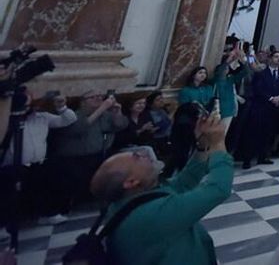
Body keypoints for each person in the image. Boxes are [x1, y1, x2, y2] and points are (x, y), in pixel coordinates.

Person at [88, 111, 233, 265]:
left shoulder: (139, 195)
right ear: (131, 182)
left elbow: (184, 182)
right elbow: (218, 190)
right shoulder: (149, 215)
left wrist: (203, 145)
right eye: (136, 157)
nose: (143, 153)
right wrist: (218, 143)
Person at [0, 88, 75, 246]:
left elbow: (68, 120)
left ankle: (47, 214)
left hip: (38, 162)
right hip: (13, 165)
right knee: (7, 196)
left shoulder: (42, 117)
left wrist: (61, 106)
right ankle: (2, 225)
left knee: (44, 188)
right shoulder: (7, 119)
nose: (28, 108)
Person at [47, 90, 128, 217]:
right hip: (73, 157)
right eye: (93, 97)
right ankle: (61, 209)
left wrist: (117, 112)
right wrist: (102, 108)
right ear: (82, 102)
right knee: (69, 185)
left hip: (97, 155)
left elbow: (120, 125)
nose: (98, 98)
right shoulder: (75, 115)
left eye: (100, 96)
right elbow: (78, 128)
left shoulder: (105, 115)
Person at [237, 50, 279, 169]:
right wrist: (271, 98)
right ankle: (247, 159)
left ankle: (263, 156)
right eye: (276, 57)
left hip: (274, 108)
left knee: (268, 133)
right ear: (270, 59)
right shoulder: (261, 73)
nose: (278, 59)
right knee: (254, 133)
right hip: (261, 106)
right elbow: (258, 88)